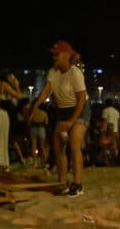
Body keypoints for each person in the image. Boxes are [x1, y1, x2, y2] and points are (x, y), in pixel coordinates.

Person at [27, 41, 88, 196]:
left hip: (79, 109)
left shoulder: (75, 73)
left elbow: (81, 99)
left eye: (57, 54)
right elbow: (45, 92)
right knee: (58, 146)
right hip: (62, 111)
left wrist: (71, 122)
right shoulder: (53, 72)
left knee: (74, 144)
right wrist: (34, 107)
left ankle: (78, 184)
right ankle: (63, 182)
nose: (54, 57)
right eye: (53, 54)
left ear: (66, 55)